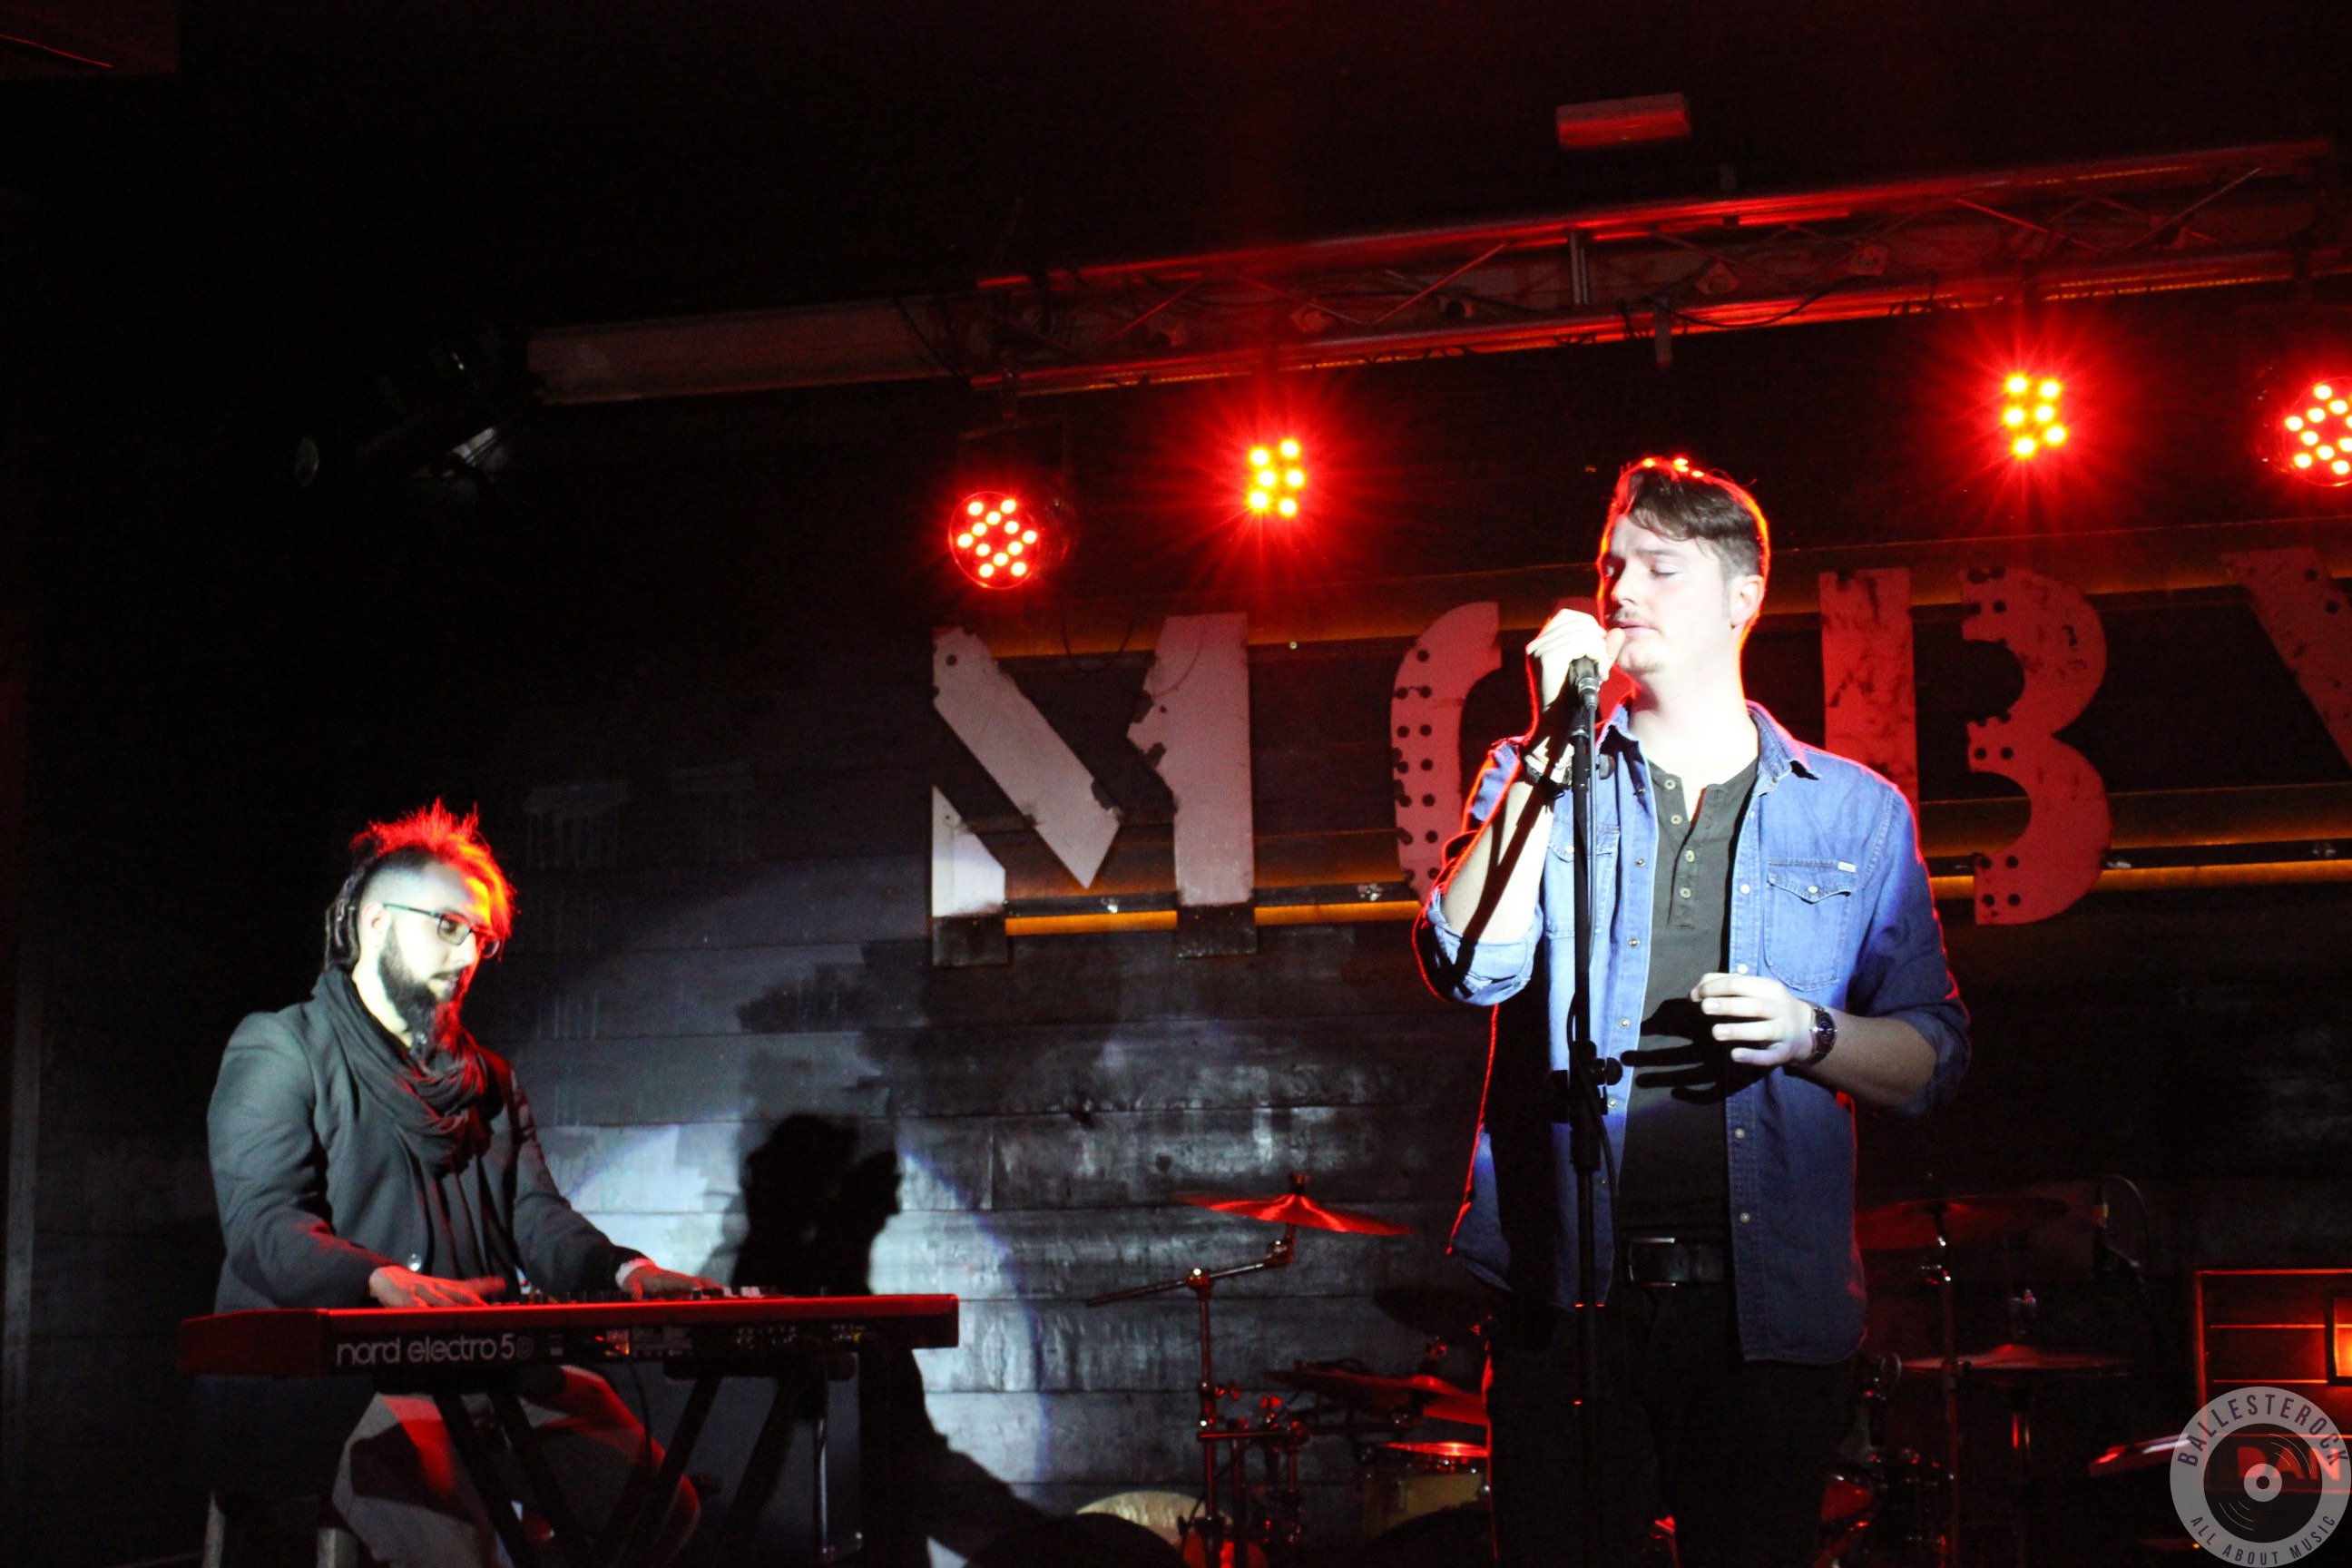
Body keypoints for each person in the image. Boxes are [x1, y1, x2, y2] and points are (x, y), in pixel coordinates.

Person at [1414, 459, 1970, 1568]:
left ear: (1743, 595)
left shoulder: (1854, 814)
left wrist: (1809, 1034)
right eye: (1612, 566)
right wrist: (1550, 749)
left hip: (1764, 1315)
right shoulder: (1530, 772)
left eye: (1661, 567)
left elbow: (1933, 1058)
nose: (1622, 591)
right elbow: (1466, 965)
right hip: (1568, 1302)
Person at [198, 802, 711, 1567]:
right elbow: (266, 1225)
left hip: (480, 1373)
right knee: (457, 1543)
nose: (468, 952)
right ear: (374, 922)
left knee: (661, 1507)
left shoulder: (489, 1079)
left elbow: (538, 1218)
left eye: (481, 936)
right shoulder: (281, 1047)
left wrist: (625, 1272)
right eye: (447, 925)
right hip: (339, 1387)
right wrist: (377, 1281)